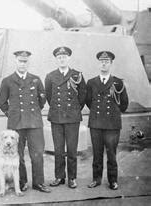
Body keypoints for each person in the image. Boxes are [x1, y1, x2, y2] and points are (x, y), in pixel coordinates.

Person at [0, 50, 51, 193]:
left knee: (37, 153)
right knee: (18, 154)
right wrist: (12, 114)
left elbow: (42, 100)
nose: (22, 64)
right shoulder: (7, 81)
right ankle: (21, 182)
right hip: (16, 124)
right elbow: (2, 102)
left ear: (29, 62)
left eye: (25, 61)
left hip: (34, 123)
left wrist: (32, 113)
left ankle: (39, 183)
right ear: (16, 61)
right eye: (20, 61)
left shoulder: (36, 79)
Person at [45, 46, 86, 189]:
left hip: (72, 118)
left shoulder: (77, 75)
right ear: (56, 59)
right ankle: (59, 177)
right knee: (58, 150)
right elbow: (49, 96)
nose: (62, 59)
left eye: (64, 57)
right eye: (59, 57)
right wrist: (59, 109)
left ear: (69, 58)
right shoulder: (50, 76)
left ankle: (72, 178)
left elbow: (82, 96)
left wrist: (73, 110)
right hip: (56, 117)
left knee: (72, 150)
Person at [86, 51, 128, 190]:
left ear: (111, 64)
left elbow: (124, 104)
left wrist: (113, 113)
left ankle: (113, 181)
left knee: (111, 154)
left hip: (112, 124)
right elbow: (88, 101)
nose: (104, 63)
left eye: (107, 61)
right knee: (97, 153)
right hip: (96, 123)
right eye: (101, 61)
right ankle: (96, 179)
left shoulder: (118, 82)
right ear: (98, 63)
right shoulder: (91, 82)